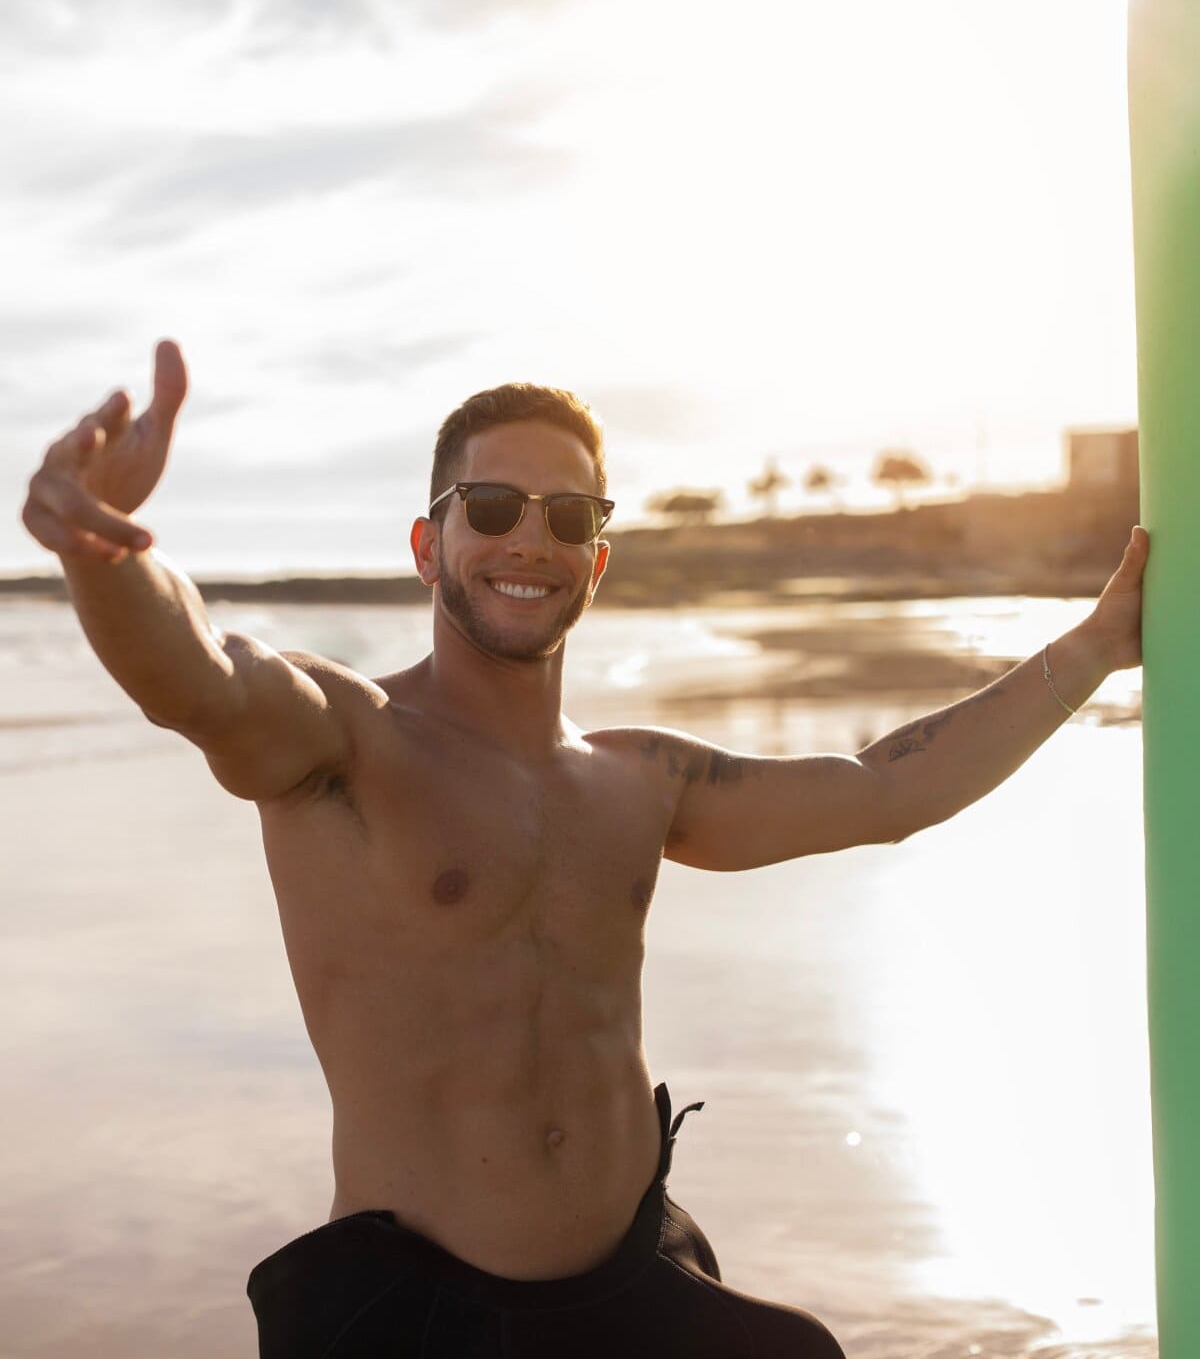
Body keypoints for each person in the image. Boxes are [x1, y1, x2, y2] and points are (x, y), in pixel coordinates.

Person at [21, 340, 1147, 1358]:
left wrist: (1095, 643)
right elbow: (200, 677)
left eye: (569, 518)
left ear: (597, 564)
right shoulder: (346, 743)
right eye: (496, 504)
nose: (531, 540)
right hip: (417, 1315)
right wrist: (100, 554)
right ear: (429, 543)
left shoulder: (637, 779)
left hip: (631, 1288)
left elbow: (885, 787)